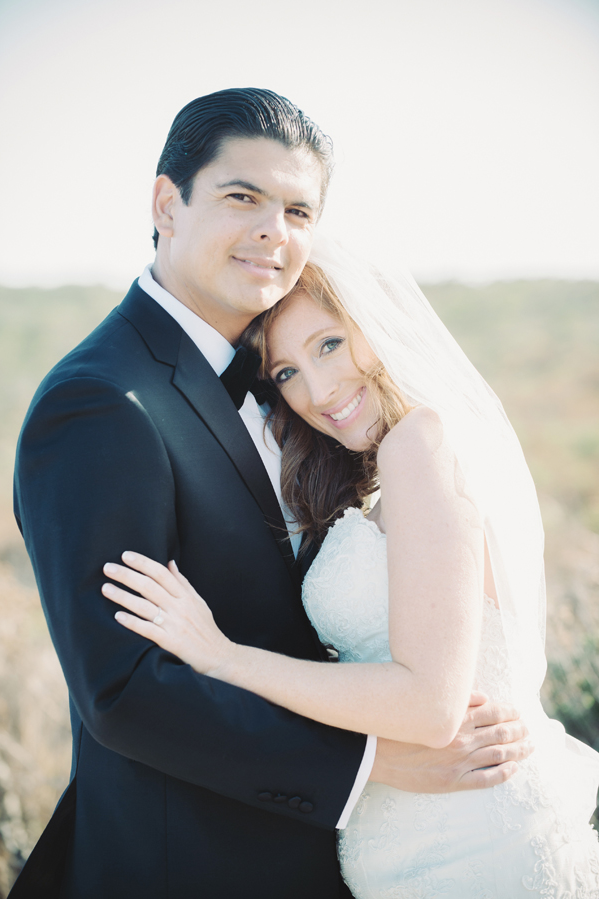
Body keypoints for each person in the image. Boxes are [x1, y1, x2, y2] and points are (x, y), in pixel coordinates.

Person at [12, 90, 531, 899]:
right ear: (166, 204)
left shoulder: (306, 392)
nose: (273, 232)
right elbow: (124, 691)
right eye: (242, 197)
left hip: (379, 852)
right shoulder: (101, 404)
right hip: (190, 864)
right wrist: (367, 763)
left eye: (298, 209)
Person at [102, 238, 599, 895]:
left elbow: (429, 706)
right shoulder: (378, 478)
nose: (319, 389)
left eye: (330, 344)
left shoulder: (419, 444)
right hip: (416, 847)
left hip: (475, 848)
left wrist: (224, 658)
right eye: (286, 373)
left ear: (375, 322)